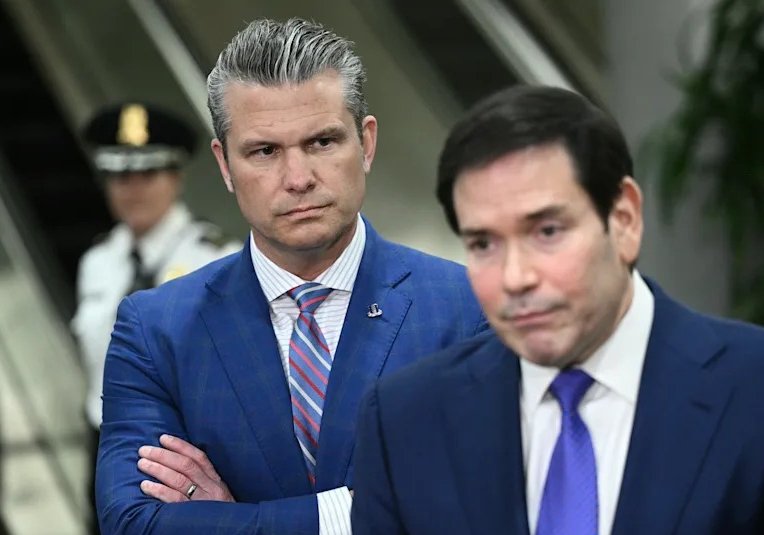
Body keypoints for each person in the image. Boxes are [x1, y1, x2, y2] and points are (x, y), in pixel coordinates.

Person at [95, 18, 487, 535]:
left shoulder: (470, 308)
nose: (298, 179)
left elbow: (488, 505)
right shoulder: (155, 330)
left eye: (322, 142)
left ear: (366, 143)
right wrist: (368, 510)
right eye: (265, 151)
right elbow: (134, 523)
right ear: (225, 165)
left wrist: (231, 520)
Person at [351, 85, 764, 535]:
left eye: (547, 231)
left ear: (624, 220)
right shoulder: (406, 421)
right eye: (483, 244)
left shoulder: (751, 388)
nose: (515, 277)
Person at [71, 102, 241, 533]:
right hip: (105, 441)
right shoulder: (98, 260)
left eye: (148, 174)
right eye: (119, 176)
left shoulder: (217, 258)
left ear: (176, 177)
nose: (133, 189)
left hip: (184, 450)